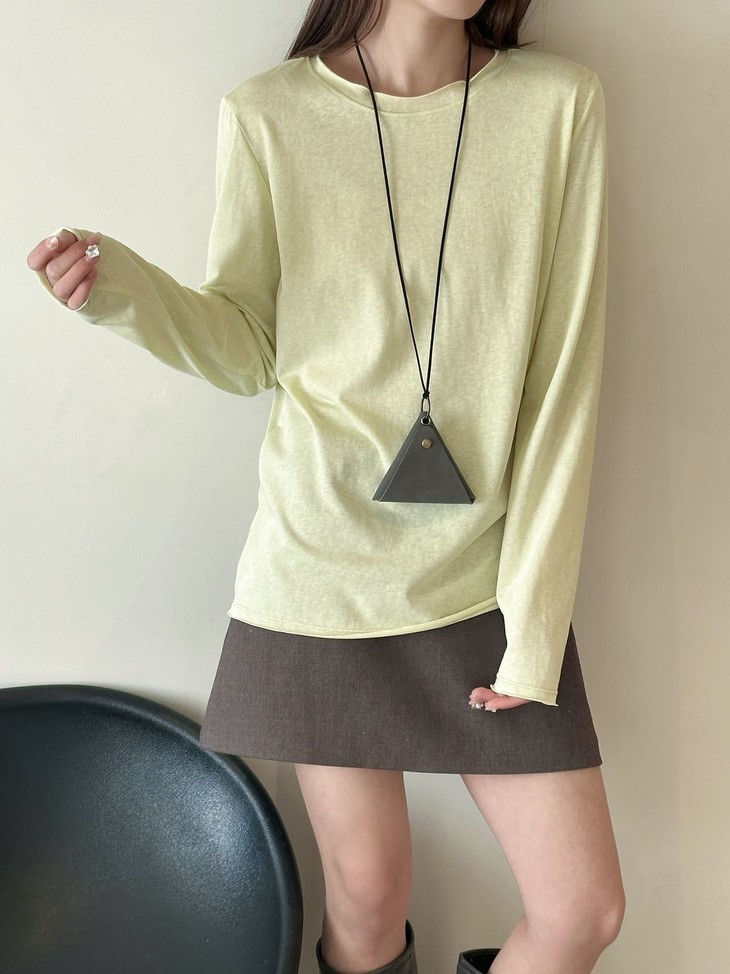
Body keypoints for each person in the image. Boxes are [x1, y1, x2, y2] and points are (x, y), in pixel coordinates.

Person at [26, 1, 626, 972]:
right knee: (367, 893)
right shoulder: (269, 114)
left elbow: (565, 381)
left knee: (580, 910)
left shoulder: (557, 105)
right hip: (320, 568)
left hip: (487, 580)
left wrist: (535, 623)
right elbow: (252, 346)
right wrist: (124, 291)